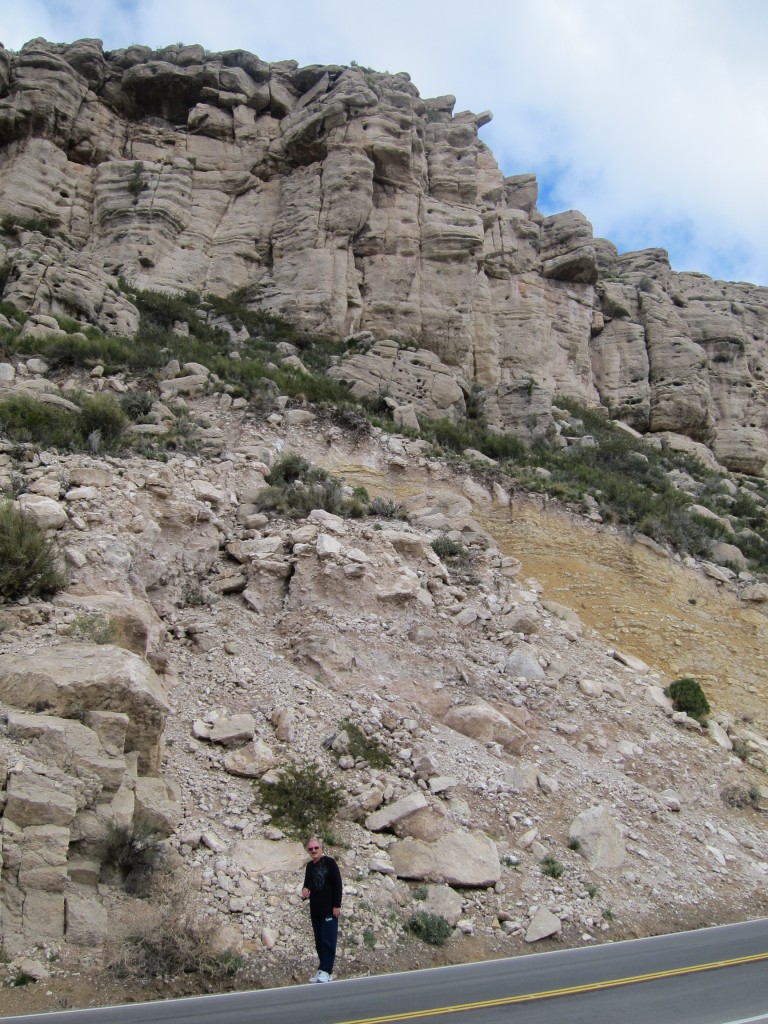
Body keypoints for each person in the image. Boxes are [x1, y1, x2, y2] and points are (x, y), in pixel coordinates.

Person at [301, 836, 342, 983]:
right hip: (315, 910)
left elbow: (338, 884)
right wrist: (305, 891)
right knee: (319, 941)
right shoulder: (310, 866)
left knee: (328, 940)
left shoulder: (330, 863)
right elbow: (307, 885)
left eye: (316, 848)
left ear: (321, 849)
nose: (313, 851)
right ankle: (322, 969)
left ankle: (327, 970)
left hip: (329, 909)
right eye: (311, 849)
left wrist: (337, 905)